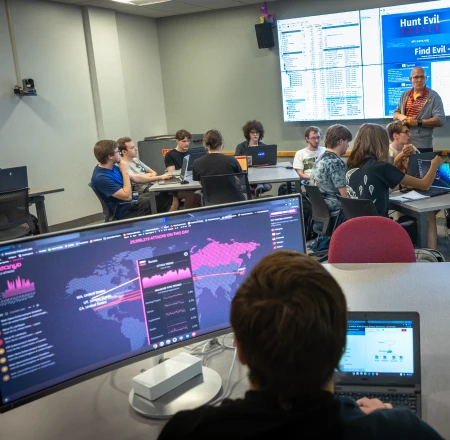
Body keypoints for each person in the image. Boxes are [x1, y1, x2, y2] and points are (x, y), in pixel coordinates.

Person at [158, 250, 443, 440]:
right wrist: (385, 422)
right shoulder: (400, 431)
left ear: (240, 350)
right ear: (342, 345)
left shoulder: (186, 432)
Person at [346, 123, 443, 249]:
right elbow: (425, 184)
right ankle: (433, 258)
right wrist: (434, 164)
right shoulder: (381, 167)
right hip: (382, 229)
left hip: (357, 229)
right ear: (381, 143)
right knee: (429, 216)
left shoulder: (350, 167)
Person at [91, 140, 172, 220]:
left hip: (133, 202)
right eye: (117, 151)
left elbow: (136, 178)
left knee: (166, 194)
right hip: (126, 210)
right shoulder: (102, 178)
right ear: (110, 156)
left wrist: (160, 177)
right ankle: (167, 226)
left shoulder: (113, 167)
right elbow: (127, 197)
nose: (120, 153)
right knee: (168, 200)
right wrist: (125, 172)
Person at [393, 67, 445, 153]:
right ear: (411, 79)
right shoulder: (405, 95)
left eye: (422, 77)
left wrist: (418, 122)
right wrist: (401, 116)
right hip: (403, 144)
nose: (419, 80)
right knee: (403, 167)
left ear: (426, 78)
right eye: (416, 77)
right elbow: (395, 114)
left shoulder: (434, 96)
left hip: (422, 145)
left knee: (423, 166)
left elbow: (440, 120)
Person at [310, 124, 352, 214]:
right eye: (347, 142)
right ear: (340, 142)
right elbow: (345, 196)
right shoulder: (336, 162)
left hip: (320, 210)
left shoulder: (319, 159)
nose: (348, 145)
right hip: (336, 212)